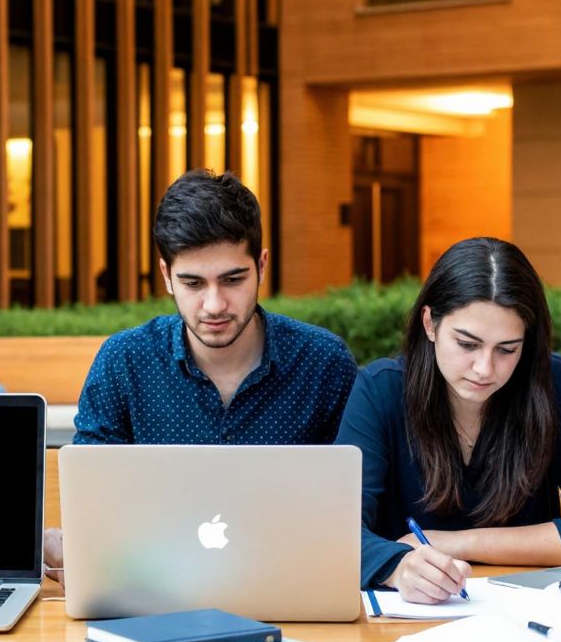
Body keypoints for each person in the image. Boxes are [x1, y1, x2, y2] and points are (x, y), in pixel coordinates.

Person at [43, 170, 359, 581]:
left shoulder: (323, 363)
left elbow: (358, 508)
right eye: (192, 282)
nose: (214, 304)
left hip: (294, 586)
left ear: (261, 265)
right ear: (166, 275)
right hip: (149, 588)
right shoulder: (125, 361)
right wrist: (84, 550)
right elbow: (93, 496)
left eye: (233, 280)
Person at [335, 237, 561, 603]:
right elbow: (337, 530)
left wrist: (460, 542)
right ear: (430, 324)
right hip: (402, 624)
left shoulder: (553, 384)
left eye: (507, 349)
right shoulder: (380, 391)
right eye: (467, 344)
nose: (484, 368)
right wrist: (396, 567)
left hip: (528, 617)